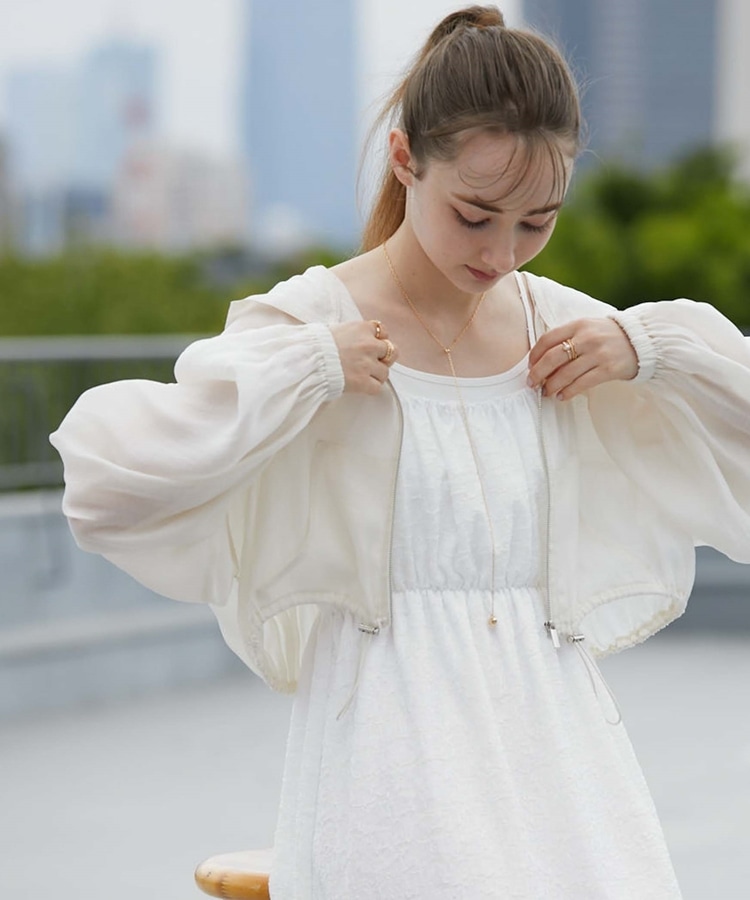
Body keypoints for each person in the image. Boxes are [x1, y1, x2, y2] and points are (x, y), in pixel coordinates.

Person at [50, 5, 750, 898]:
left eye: (537, 222)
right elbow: (106, 488)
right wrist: (306, 372)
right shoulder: (311, 325)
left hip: (560, 756)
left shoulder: (564, 329)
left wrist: (656, 353)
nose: (501, 253)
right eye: (475, 215)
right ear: (405, 158)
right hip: (387, 753)